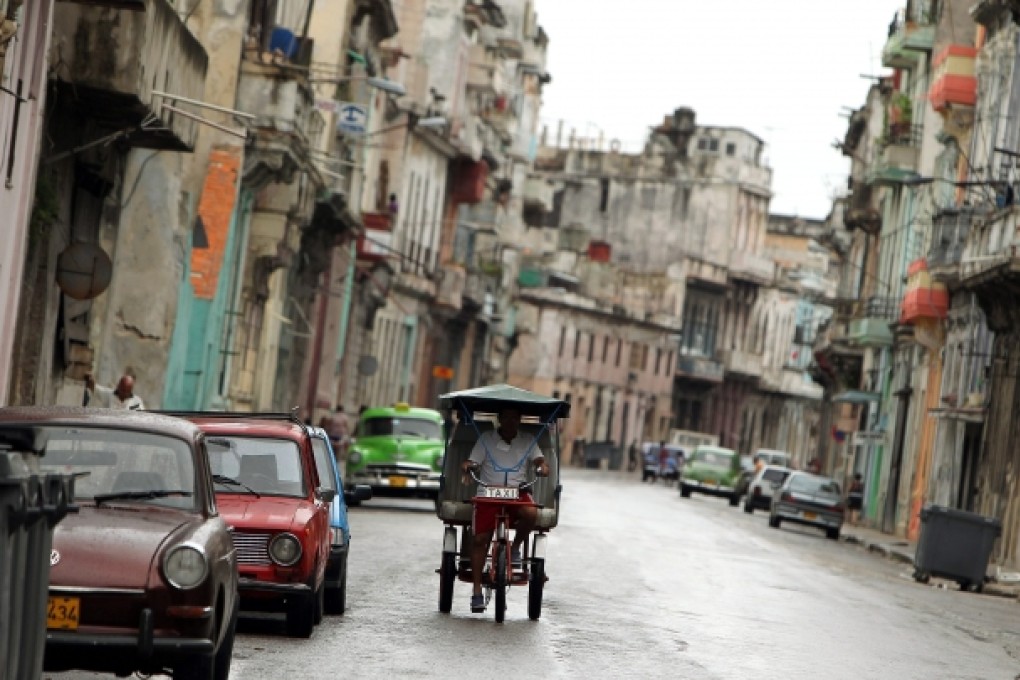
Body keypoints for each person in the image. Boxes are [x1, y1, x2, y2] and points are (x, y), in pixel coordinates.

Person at [461, 407, 549, 612]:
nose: (510, 421)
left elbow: (539, 461)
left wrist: (542, 467)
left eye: (515, 417)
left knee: (530, 513)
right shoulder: (486, 438)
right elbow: (473, 460)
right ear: (499, 419)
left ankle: (516, 547)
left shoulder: (527, 439)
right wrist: (467, 465)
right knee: (480, 540)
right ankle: (476, 592)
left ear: (520, 420)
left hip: (516, 492)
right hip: (488, 492)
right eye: (506, 417)